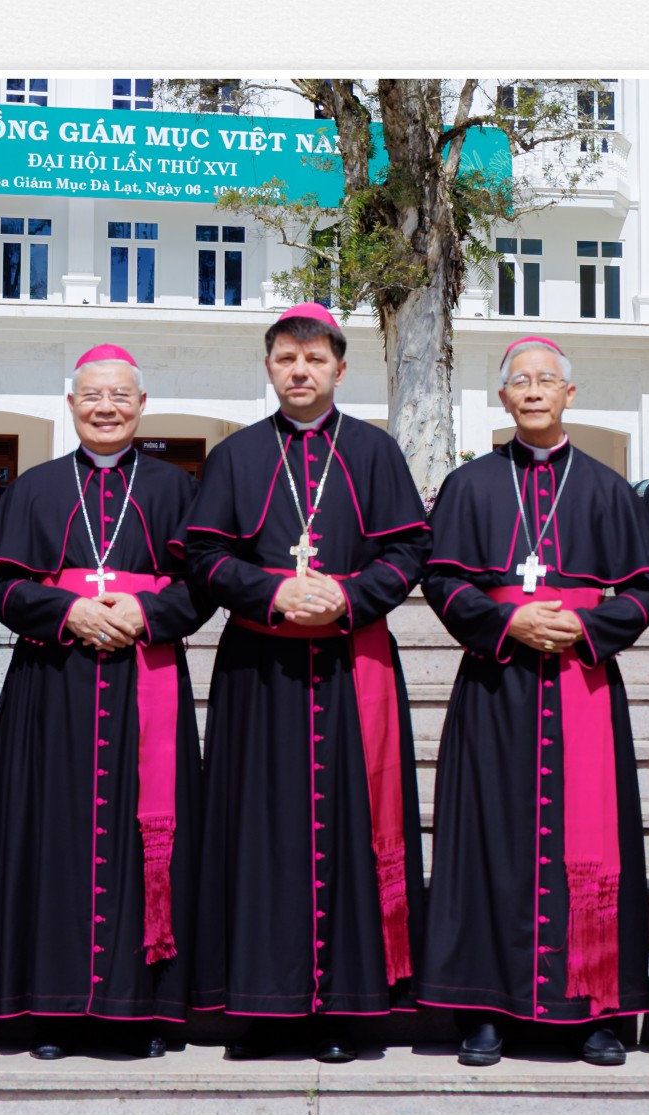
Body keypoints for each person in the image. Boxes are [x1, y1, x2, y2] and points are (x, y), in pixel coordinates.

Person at [181, 303, 432, 1064]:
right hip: (261, 673)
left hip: (354, 668)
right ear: (269, 368)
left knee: (353, 829)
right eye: (287, 359)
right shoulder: (237, 456)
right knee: (259, 833)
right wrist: (274, 592)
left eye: (315, 359)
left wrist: (346, 598)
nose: (300, 371)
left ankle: (344, 1009)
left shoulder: (375, 451)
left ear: (340, 370)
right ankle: (263, 1007)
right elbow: (205, 557)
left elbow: (408, 550)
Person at [417, 336, 649, 1068]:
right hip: (496, 687)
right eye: (519, 381)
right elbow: (441, 580)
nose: (532, 391)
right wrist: (507, 621)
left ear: (568, 395)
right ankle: (484, 1009)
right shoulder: (470, 486)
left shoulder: (609, 489)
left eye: (546, 380)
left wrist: (587, 628)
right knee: (486, 842)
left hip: (582, 681)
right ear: (503, 398)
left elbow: (647, 586)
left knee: (593, 845)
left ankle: (593, 1009)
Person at [0, 344, 214, 1059]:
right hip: (53, 684)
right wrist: (65, 612)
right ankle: (54, 1008)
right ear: (71, 404)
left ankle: (142, 1007)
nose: (107, 408)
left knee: (149, 839)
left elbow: (205, 581)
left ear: (142, 405)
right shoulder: (36, 488)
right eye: (93, 396)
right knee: (52, 837)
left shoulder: (177, 489)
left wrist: (147, 613)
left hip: (145, 679)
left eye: (120, 396)